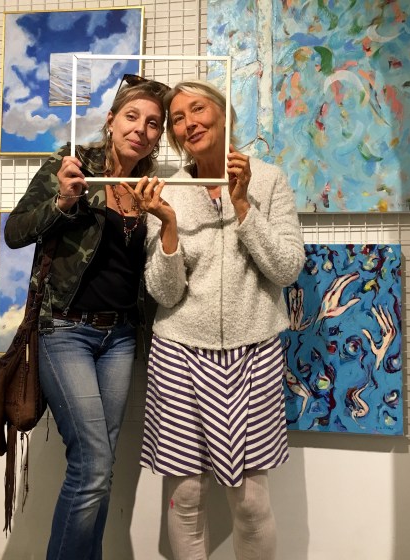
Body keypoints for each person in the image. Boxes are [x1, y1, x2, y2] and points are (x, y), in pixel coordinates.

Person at [129, 80, 305, 560]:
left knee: (250, 503)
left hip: (255, 352)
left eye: (198, 110)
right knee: (186, 497)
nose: (189, 123)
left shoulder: (268, 180)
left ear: (224, 114)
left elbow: (287, 268)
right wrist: (167, 225)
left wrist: (243, 205)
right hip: (179, 353)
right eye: (177, 119)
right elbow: (164, 293)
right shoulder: (168, 190)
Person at [4, 74, 169, 560]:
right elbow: (16, 232)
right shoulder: (72, 164)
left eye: (153, 123)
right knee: (94, 465)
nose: (141, 129)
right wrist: (63, 201)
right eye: (132, 116)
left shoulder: (148, 188)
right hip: (65, 329)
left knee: (101, 467)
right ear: (111, 120)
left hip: (120, 337)